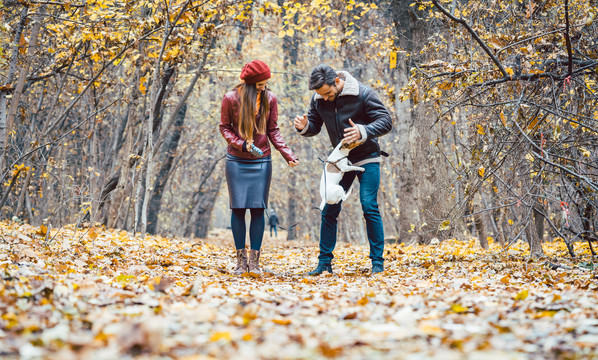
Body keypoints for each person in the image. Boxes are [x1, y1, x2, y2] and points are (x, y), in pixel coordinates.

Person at [294, 64, 392, 275]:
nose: (326, 98)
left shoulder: (363, 93)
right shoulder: (319, 99)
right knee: (329, 207)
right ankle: (324, 263)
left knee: (369, 205)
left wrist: (363, 130)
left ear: (337, 82)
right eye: (321, 95)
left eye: (328, 93)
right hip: (341, 159)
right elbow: (314, 125)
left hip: (367, 157)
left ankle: (377, 263)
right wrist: (304, 127)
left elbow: (385, 121)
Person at [220, 60, 299, 276]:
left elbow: (273, 130)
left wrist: (287, 154)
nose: (264, 87)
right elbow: (224, 128)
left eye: (265, 83)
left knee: (257, 208)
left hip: (262, 159)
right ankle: (240, 261)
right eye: (261, 84)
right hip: (236, 159)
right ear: (251, 83)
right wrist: (241, 143)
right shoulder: (230, 98)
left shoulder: (270, 98)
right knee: (237, 209)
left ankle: (254, 262)